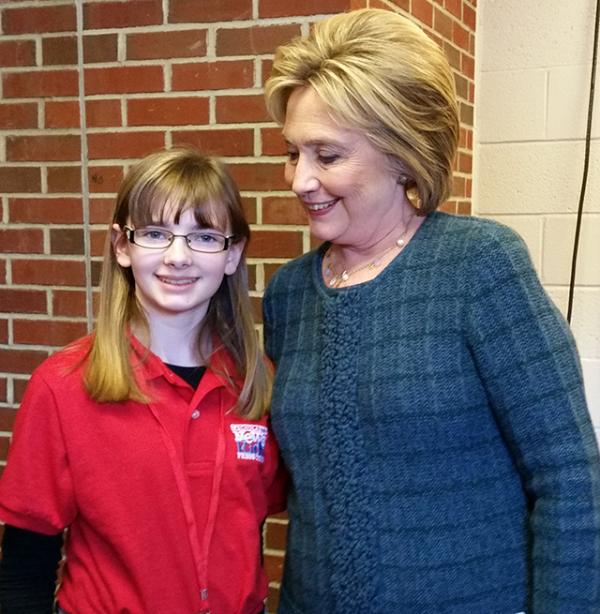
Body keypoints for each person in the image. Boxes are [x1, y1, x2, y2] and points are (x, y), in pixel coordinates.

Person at [262, 8, 600, 613]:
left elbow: (570, 479)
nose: (299, 180)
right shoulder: (290, 294)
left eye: (327, 155)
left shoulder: (479, 267)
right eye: (292, 152)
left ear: (402, 154)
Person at [0, 147, 287, 614]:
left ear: (233, 254)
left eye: (205, 236)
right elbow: (23, 572)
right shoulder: (63, 385)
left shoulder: (258, 385)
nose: (178, 256)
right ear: (122, 246)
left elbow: (245, 531)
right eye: (155, 233)